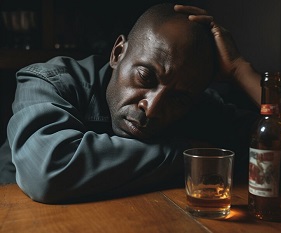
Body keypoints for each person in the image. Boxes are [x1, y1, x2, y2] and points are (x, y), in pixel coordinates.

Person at [0, 3, 265, 203]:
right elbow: (49, 171)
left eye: (177, 98)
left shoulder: (197, 106)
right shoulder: (49, 82)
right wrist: (187, 156)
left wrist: (241, 71)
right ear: (117, 53)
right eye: (145, 76)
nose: (152, 107)